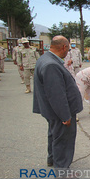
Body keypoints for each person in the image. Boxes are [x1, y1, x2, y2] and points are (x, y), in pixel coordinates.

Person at [33, 35, 83, 170]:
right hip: (59, 112)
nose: (68, 53)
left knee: (54, 134)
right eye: (68, 49)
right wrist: (65, 115)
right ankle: (62, 169)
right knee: (63, 139)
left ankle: (53, 159)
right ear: (64, 47)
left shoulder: (46, 59)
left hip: (52, 111)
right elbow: (56, 94)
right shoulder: (51, 65)